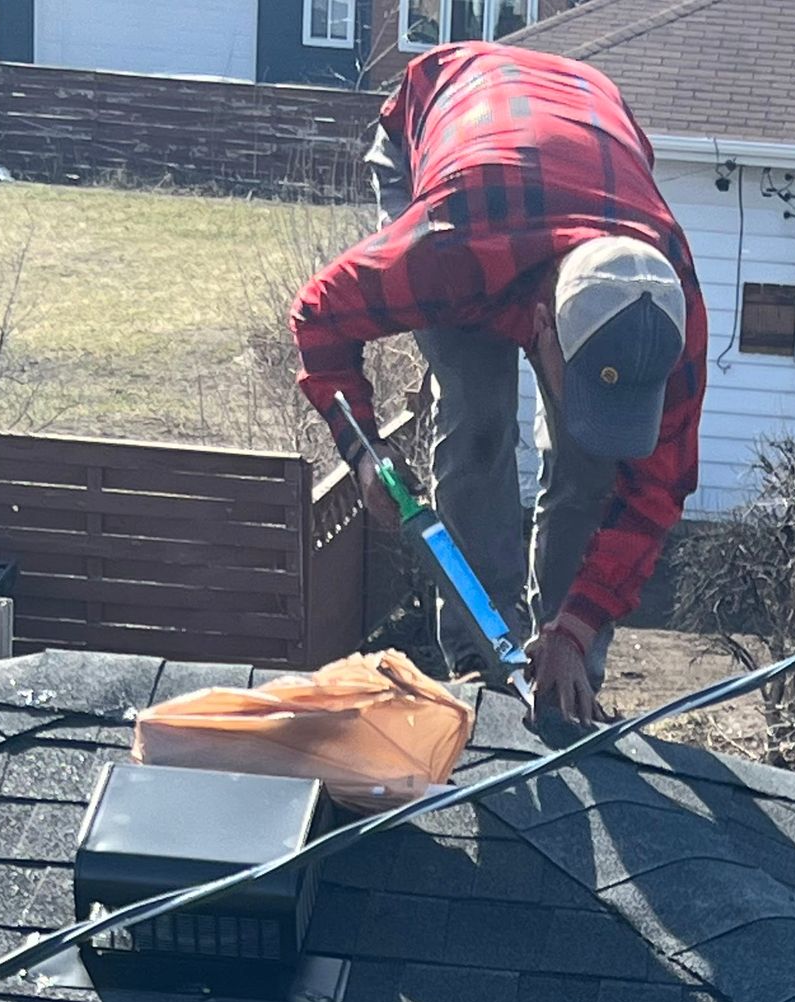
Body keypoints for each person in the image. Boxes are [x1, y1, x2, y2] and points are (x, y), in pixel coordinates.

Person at [291, 42, 707, 721]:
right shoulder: (443, 254)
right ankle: (484, 660)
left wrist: (577, 623)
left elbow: (656, 492)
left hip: (582, 138)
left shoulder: (668, 309)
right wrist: (363, 448)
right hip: (455, 152)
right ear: (541, 324)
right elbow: (318, 320)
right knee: (480, 419)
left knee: (592, 461)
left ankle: (565, 669)